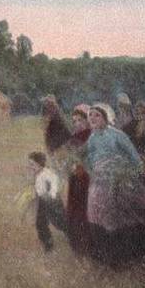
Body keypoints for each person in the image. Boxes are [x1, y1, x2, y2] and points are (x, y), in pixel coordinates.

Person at [83, 103, 145, 266]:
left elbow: (135, 158)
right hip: (100, 183)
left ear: (106, 117)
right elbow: (90, 160)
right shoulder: (92, 138)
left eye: (96, 115)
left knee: (125, 217)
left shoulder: (118, 135)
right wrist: (95, 172)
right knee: (98, 216)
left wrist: (129, 175)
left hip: (122, 180)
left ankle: (131, 255)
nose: (92, 118)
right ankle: (109, 256)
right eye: (90, 115)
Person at [65, 105, 93, 256]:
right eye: (74, 121)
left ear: (87, 120)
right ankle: (75, 241)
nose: (77, 123)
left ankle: (87, 243)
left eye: (80, 120)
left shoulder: (91, 135)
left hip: (87, 177)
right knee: (74, 208)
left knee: (85, 208)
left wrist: (82, 166)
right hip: (75, 176)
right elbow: (68, 156)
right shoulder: (74, 136)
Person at [28, 151, 68, 252]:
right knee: (40, 223)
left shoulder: (48, 173)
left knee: (60, 223)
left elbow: (54, 186)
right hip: (43, 202)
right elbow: (39, 190)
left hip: (53, 202)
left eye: (32, 164)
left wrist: (51, 196)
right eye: (30, 164)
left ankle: (73, 236)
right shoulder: (38, 174)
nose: (31, 167)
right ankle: (48, 244)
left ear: (39, 163)